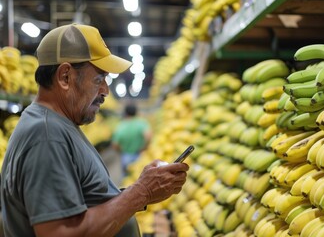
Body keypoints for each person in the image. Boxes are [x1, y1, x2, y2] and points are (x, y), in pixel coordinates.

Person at [0, 23, 189, 237]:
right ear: (65, 77)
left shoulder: (59, 125)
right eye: (99, 79)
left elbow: (84, 202)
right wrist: (141, 193)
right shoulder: (46, 135)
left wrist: (142, 189)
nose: (105, 91)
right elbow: (59, 233)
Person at [111, 102, 152, 178]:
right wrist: (144, 147)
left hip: (126, 156)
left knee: (126, 177)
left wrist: (122, 150)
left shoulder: (120, 126)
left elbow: (115, 144)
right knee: (140, 177)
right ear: (136, 112)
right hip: (139, 155)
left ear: (125, 113)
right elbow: (148, 136)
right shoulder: (141, 123)